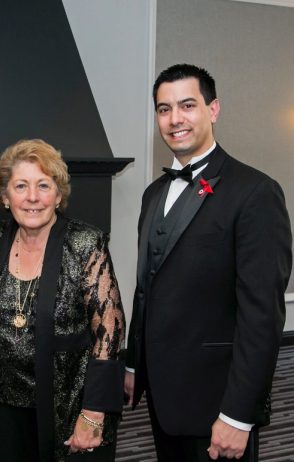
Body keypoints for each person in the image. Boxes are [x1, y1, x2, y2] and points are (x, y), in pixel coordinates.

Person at [124, 63, 292, 461]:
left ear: (213, 109)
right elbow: (147, 286)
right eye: (164, 109)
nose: (175, 119)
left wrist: (238, 414)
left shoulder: (256, 193)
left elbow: (262, 317)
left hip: (218, 401)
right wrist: (134, 365)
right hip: (163, 395)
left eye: (187, 105)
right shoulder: (153, 194)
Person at [0, 139, 126, 461]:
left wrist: (94, 412)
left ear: (58, 195)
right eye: (21, 186)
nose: (32, 197)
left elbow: (110, 332)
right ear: (6, 197)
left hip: (68, 406)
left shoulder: (85, 244)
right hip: (4, 403)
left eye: (43, 185)